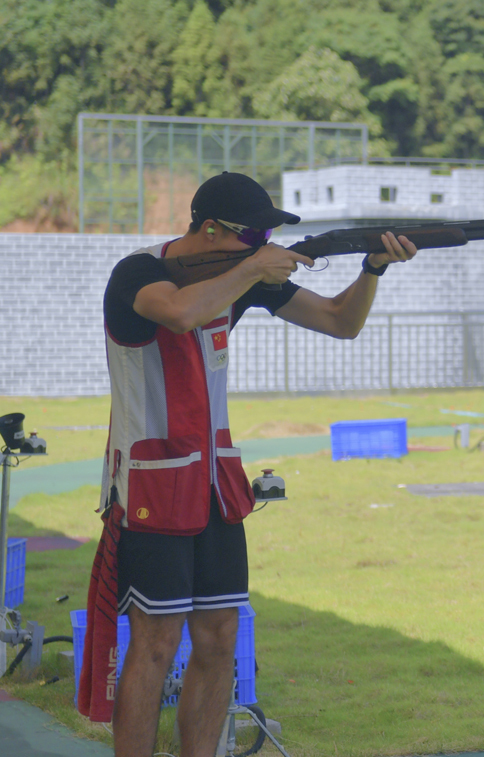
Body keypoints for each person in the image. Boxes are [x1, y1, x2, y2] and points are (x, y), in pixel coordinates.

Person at [77, 172, 417, 757]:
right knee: (155, 644)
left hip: (213, 485)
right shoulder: (139, 273)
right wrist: (253, 269)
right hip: (150, 483)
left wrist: (373, 268)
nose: (262, 245)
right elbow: (181, 314)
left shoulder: (238, 275)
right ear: (210, 230)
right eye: (253, 235)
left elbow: (342, 321)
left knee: (220, 636)